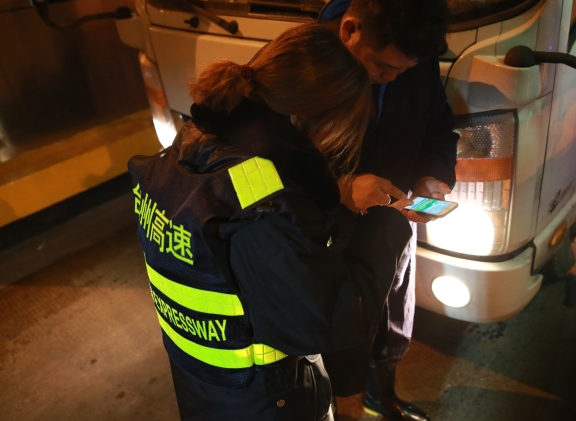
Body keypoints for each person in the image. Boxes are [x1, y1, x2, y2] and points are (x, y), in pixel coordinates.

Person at [128, 23, 413, 420]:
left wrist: (333, 191)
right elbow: (332, 320)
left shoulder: (192, 144)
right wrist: (387, 226)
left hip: (203, 387)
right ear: (308, 119)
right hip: (268, 401)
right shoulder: (267, 210)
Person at [318, 0, 458, 421]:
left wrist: (432, 177)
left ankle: (383, 397)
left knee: (393, 318)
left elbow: (438, 127)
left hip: (394, 221)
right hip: (330, 234)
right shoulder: (303, 64)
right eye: (383, 68)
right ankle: (344, 405)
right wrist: (341, 187)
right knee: (344, 333)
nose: (392, 79)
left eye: (405, 71)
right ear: (349, 30)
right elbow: (270, 162)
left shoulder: (412, 63)